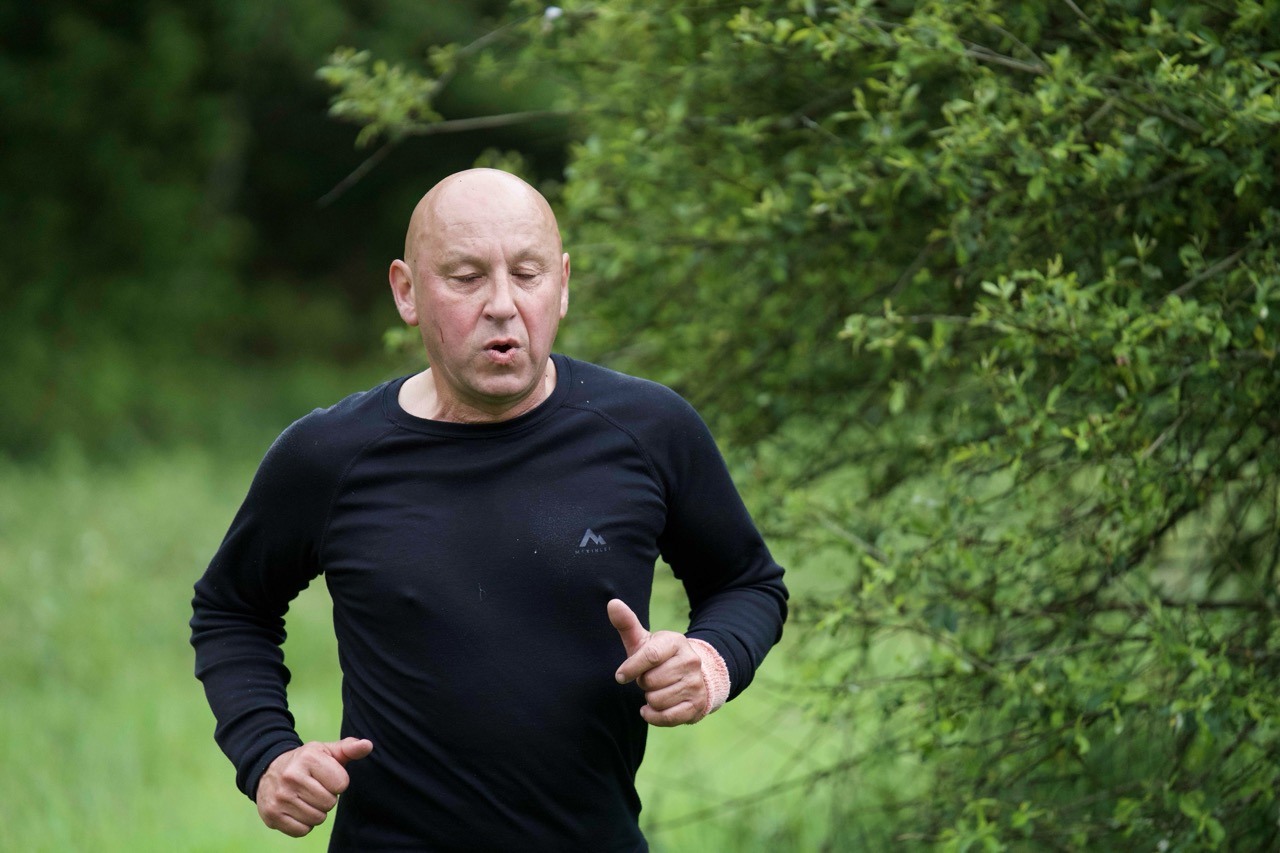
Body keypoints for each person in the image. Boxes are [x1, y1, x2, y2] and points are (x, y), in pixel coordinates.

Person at [190, 168, 788, 851]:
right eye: (467, 277)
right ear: (407, 292)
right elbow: (232, 609)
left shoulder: (648, 430)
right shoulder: (330, 456)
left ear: (563, 284)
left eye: (527, 274)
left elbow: (747, 583)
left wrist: (710, 663)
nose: (503, 304)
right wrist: (267, 752)